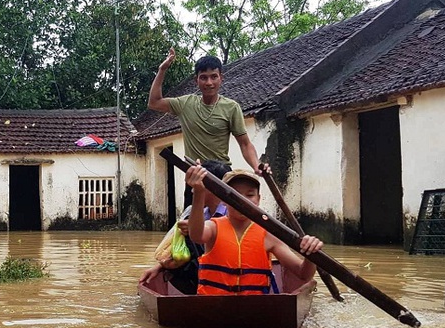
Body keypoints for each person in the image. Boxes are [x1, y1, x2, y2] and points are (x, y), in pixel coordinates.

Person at [148, 48, 265, 206]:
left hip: (222, 175)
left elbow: (245, 143)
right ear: (196, 80)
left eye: (213, 77)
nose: (209, 83)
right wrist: (162, 69)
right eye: (203, 78)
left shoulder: (231, 107)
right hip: (195, 174)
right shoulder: (185, 103)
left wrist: (257, 166)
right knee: (191, 227)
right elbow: (154, 102)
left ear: (220, 78)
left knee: (223, 223)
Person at [186, 164, 323, 296]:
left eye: (250, 195)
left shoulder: (269, 234)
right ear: (223, 200)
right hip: (213, 307)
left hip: (254, 309)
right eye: (235, 194)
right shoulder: (213, 227)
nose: (242, 200)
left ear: (258, 199)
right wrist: (199, 193)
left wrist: (310, 255)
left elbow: (303, 274)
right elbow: (196, 235)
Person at [138, 160, 230, 294]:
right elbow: (174, 249)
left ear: (213, 188)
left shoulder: (234, 214)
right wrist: (159, 267)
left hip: (226, 272)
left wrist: (196, 230)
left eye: (198, 184)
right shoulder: (194, 213)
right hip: (204, 275)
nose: (193, 190)